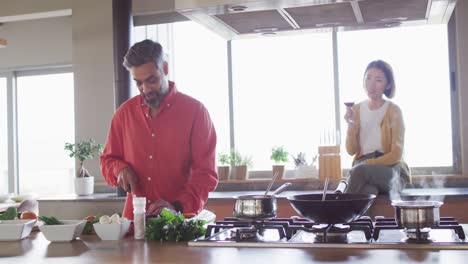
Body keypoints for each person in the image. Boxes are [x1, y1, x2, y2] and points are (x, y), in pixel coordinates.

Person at [100, 39, 218, 219]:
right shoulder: (123, 114)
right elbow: (107, 161)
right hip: (133, 225)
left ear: (165, 69)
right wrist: (119, 169)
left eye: (151, 80)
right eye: (138, 83)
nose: (145, 89)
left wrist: (177, 207)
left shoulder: (195, 112)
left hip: (178, 224)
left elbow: (205, 175)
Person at [344, 60, 410, 195]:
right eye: (368, 78)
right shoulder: (356, 109)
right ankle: (359, 217)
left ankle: (340, 213)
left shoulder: (394, 111)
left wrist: (367, 163)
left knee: (359, 170)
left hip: (391, 171)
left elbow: (396, 154)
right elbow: (351, 151)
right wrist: (351, 127)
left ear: (388, 85)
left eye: (378, 80)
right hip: (363, 171)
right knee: (367, 192)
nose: (371, 85)